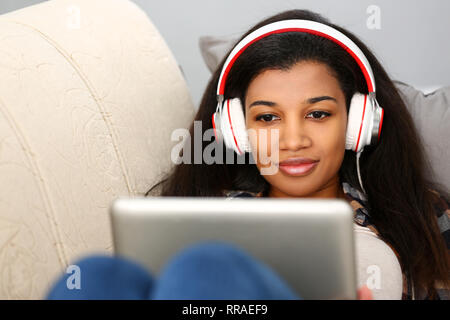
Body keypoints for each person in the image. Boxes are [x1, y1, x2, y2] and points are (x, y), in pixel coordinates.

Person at [46, 9, 449, 300]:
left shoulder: (422, 217)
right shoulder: (195, 214)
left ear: (359, 122)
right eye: (268, 117)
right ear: (235, 131)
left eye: (318, 113)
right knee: (97, 276)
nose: (293, 140)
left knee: (205, 268)